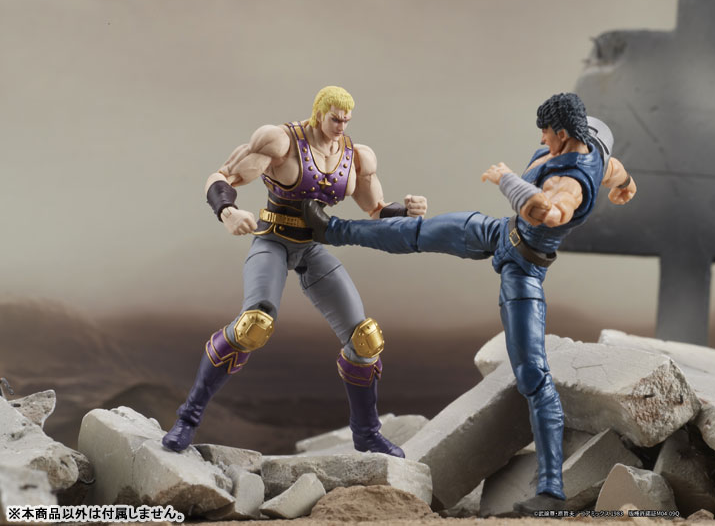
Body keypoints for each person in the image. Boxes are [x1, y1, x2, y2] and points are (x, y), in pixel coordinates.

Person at [302, 93, 636, 512]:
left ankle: (551, 490)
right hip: (500, 233)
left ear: (565, 134)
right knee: (419, 232)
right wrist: (626, 188)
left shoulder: (570, 183)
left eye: (547, 133)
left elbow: (549, 214)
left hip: (524, 268)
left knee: (532, 375)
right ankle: (330, 229)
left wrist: (506, 179)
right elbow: (619, 174)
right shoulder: (598, 156)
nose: (542, 139)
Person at [162, 86, 427, 457]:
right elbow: (220, 176)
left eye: (347, 120)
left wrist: (405, 211)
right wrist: (228, 212)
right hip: (272, 239)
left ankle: (367, 434)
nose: (341, 126)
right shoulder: (279, 141)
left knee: (365, 339)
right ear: (319, 113)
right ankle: (187, 419)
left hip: (311, 247)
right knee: (253, 325)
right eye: (335, 119)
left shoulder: (356, 156)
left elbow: (375, 209)